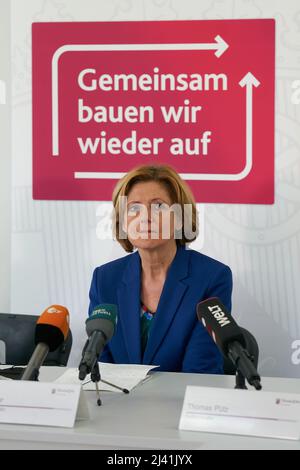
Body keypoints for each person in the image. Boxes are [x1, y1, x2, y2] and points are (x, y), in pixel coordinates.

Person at [88, 164, 232, 373]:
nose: (146, 217)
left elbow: (201, 370)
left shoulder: (212, 278)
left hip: (182, 402)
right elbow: (101, 365)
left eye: (158, 207)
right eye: (134, 208)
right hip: (118, 403)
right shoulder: (105, 279)